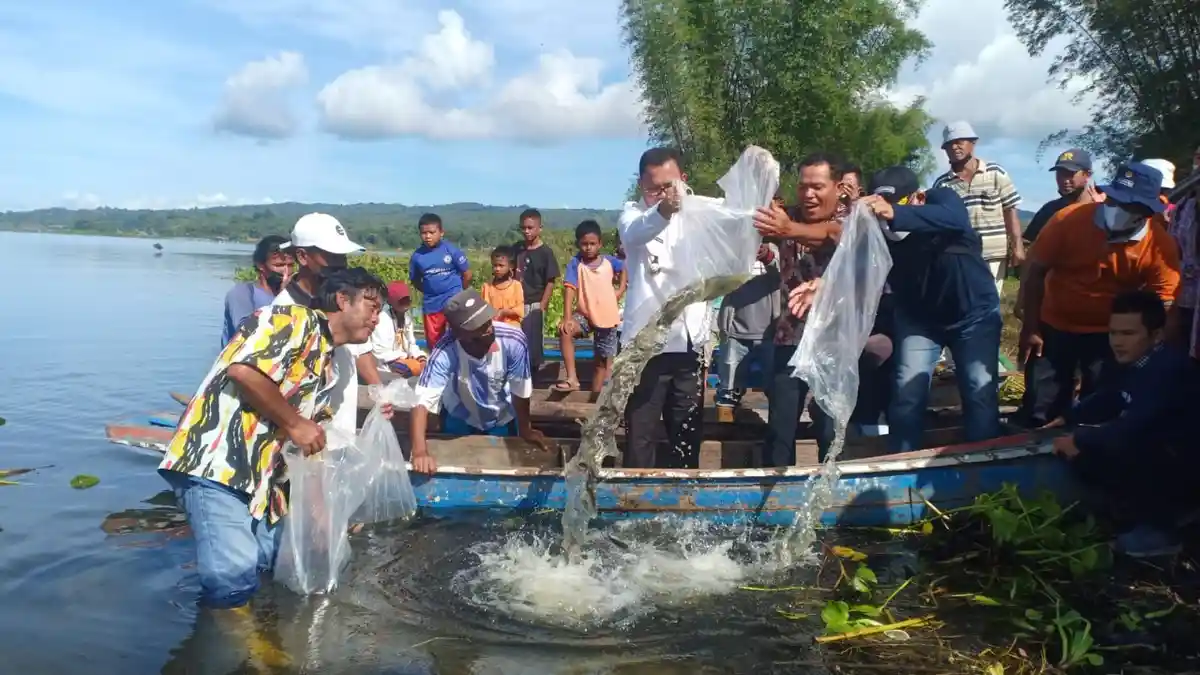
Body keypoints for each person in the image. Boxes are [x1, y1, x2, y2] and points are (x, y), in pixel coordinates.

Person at [158, 267, 386, 609]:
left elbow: (306, 447)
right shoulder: (291, 320)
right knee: (232, 581)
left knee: (267, 565)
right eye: (372, 307)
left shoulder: (330, 366)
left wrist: (321, 515)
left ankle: (257, 645)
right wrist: (294, 422)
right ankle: (248, 656)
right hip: (218, 465)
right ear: (342, 300)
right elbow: (243, 370)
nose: (377, 319)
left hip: (263, 484)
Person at [1019, 161, 1181, 427]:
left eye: (1128, 206)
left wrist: (1146, 350)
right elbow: (1036, 271)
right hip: (1054, 323)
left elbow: (1163, 302)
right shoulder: (1068, 220)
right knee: (1041, 404)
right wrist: (1032, 327)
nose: (1118, 210)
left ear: (1146, 211)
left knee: (1098, 405)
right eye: (1115, 201)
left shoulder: (1159, 246)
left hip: (1108, 334)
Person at [1043, 291, 1198, 558]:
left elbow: (1135, 426)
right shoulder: (1136, 362)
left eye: (1128, 334)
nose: (1117, 342)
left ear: (1156, 335)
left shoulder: (1166, 370)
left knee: (1119, 448)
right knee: (1095, 454)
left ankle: (1161, 530)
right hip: (1167, 454)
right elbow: (1112, 396)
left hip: (1183, 461)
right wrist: (1070, 416)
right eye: (1113, 333)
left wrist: (1078, 439)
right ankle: (1142, 513)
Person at [860, 166, 1003, 452]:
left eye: (896, 203)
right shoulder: (877, 231)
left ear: (917, 198)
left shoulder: (943, 199)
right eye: (881, 204)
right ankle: (901, 462)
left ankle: (986, 465)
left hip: (973, 316)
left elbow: (954, 219)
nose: (885, 213)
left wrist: (897, 214)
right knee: (907, 393)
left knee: (978, 391)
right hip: (919, 320)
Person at [618, 147, 712, 468]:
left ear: (684, 181)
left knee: (686, 433)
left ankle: (685, 500)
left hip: (689, 345)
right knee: (639, 434)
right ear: (641, 187)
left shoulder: (700, 216)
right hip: (645, 348)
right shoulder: (633, 216)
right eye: (652, 188)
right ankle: (634, 503)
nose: (661, 195)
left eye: (669, 187)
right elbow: (636, 231)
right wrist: (663, 210)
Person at [752, 153, 848, 466]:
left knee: (829, 428)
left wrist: (787, 229)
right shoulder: (788, 215)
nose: (808, 194)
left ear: (838, 187)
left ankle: (833, 499)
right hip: (788, 336)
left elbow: (832, 235)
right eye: (803, 186)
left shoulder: (852, 218)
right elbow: (748, 222)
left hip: (834, 342)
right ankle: (775, 500)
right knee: (780, 428)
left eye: (817, 186)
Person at [409, 289, 549, 473]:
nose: (489, 328)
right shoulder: (445, 350)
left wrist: (525, 429)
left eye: (487, 320)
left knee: (503, 468)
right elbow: (421, 403)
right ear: (460, 334)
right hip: (459, 416)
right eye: (479, 326)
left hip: (501, 415)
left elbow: (520, 391)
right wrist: (419, 451)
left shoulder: (513, 340)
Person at [273, 213, 382, 434]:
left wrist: (379, 394)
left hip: (342, 430)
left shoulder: (344, 302)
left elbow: (362, 352)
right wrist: (296, 427)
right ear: (303, 256)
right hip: (305, 443)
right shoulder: (283, 313)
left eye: (343, 257)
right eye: (332, 257)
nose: (341, 265)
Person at [931, 122, 1025, 295]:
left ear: (972, 143)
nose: (955, 147)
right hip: (961, 254)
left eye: (960, 141)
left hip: (993, 253)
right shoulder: (942, 184)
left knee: (990, 302)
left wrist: (1017, 246)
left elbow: (1010, 209)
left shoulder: (995, 172)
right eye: (950, 144)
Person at [557, 220, 627, 393]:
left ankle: (594, 396)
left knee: (601, 362)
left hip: (607, 317)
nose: (588, 248)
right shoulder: (576, 263)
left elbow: (624, 267)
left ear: (600, 244)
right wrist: (567, 318)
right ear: (578, 244)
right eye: (584, 244)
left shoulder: (609, 262)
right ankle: (572, 378)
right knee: (565, 331)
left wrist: (620, 289)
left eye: (592, 244)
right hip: (585, 314)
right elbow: (569, 289)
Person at [714, 243, 779, 413]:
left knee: (776, 388)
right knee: (728, 390)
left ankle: (775, 431)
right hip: (735, 332)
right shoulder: (731, 249)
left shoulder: (776, 249)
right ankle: (725, 429)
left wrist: (767, 255)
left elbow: (777, 271)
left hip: (769, 334)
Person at [409, 212, 471, 347]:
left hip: (453, 303)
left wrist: (460, 293)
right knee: (435, 343)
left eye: (432, 232)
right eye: (424, 233)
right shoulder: (417, 256)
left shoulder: (452, 251)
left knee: (460, 340)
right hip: (431, 305)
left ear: (441, 232)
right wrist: (429, 291)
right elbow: (415, 280)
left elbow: (467, 273)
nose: (428, 236)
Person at [221, 235, 293, 346]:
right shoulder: (242, 293)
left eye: (290, 265)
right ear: (261, 265)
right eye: (279, 265)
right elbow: (246, 332)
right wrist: (282, 299)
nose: (286, 271)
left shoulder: (295, 294)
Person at [513, 208, 560, 376]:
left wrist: (543, 304)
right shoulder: (517, 249)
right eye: (524, 227)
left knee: (533, 340)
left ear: (540, 228)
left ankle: (533, 375)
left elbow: (550, 280)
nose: (527, 231)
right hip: (516, 301)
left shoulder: (545, 253)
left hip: (534, 302)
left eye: (530, 227)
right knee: (516, 339)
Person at [1023, 149, 1099, 244]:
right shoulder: (1049, 210)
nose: (1064, 180)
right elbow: (1029, 243)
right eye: (1060, 174)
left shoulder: (1102, 208)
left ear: (1087, 175)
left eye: (1070, 174)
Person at [364, 281, 426, 377]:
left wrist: (421, 358)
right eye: (402, 301)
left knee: (430, 365)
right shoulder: (382, 320)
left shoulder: (407, 318)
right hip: (386, 365)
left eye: (407, 301)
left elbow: (411, 345)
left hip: (405, 360)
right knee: (405, 369)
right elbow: (380, 352)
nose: (406, 305)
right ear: (391, 302)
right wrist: (405, 360)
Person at [480, 246, 525, 328]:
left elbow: (520, 310)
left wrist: (504, 312)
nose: (497, 269)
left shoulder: (516, 286)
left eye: (501, 266)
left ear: (511, 266)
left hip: (512, 328)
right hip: (492, 329)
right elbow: (483, 310)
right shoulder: (487, 287)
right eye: (495, 265)